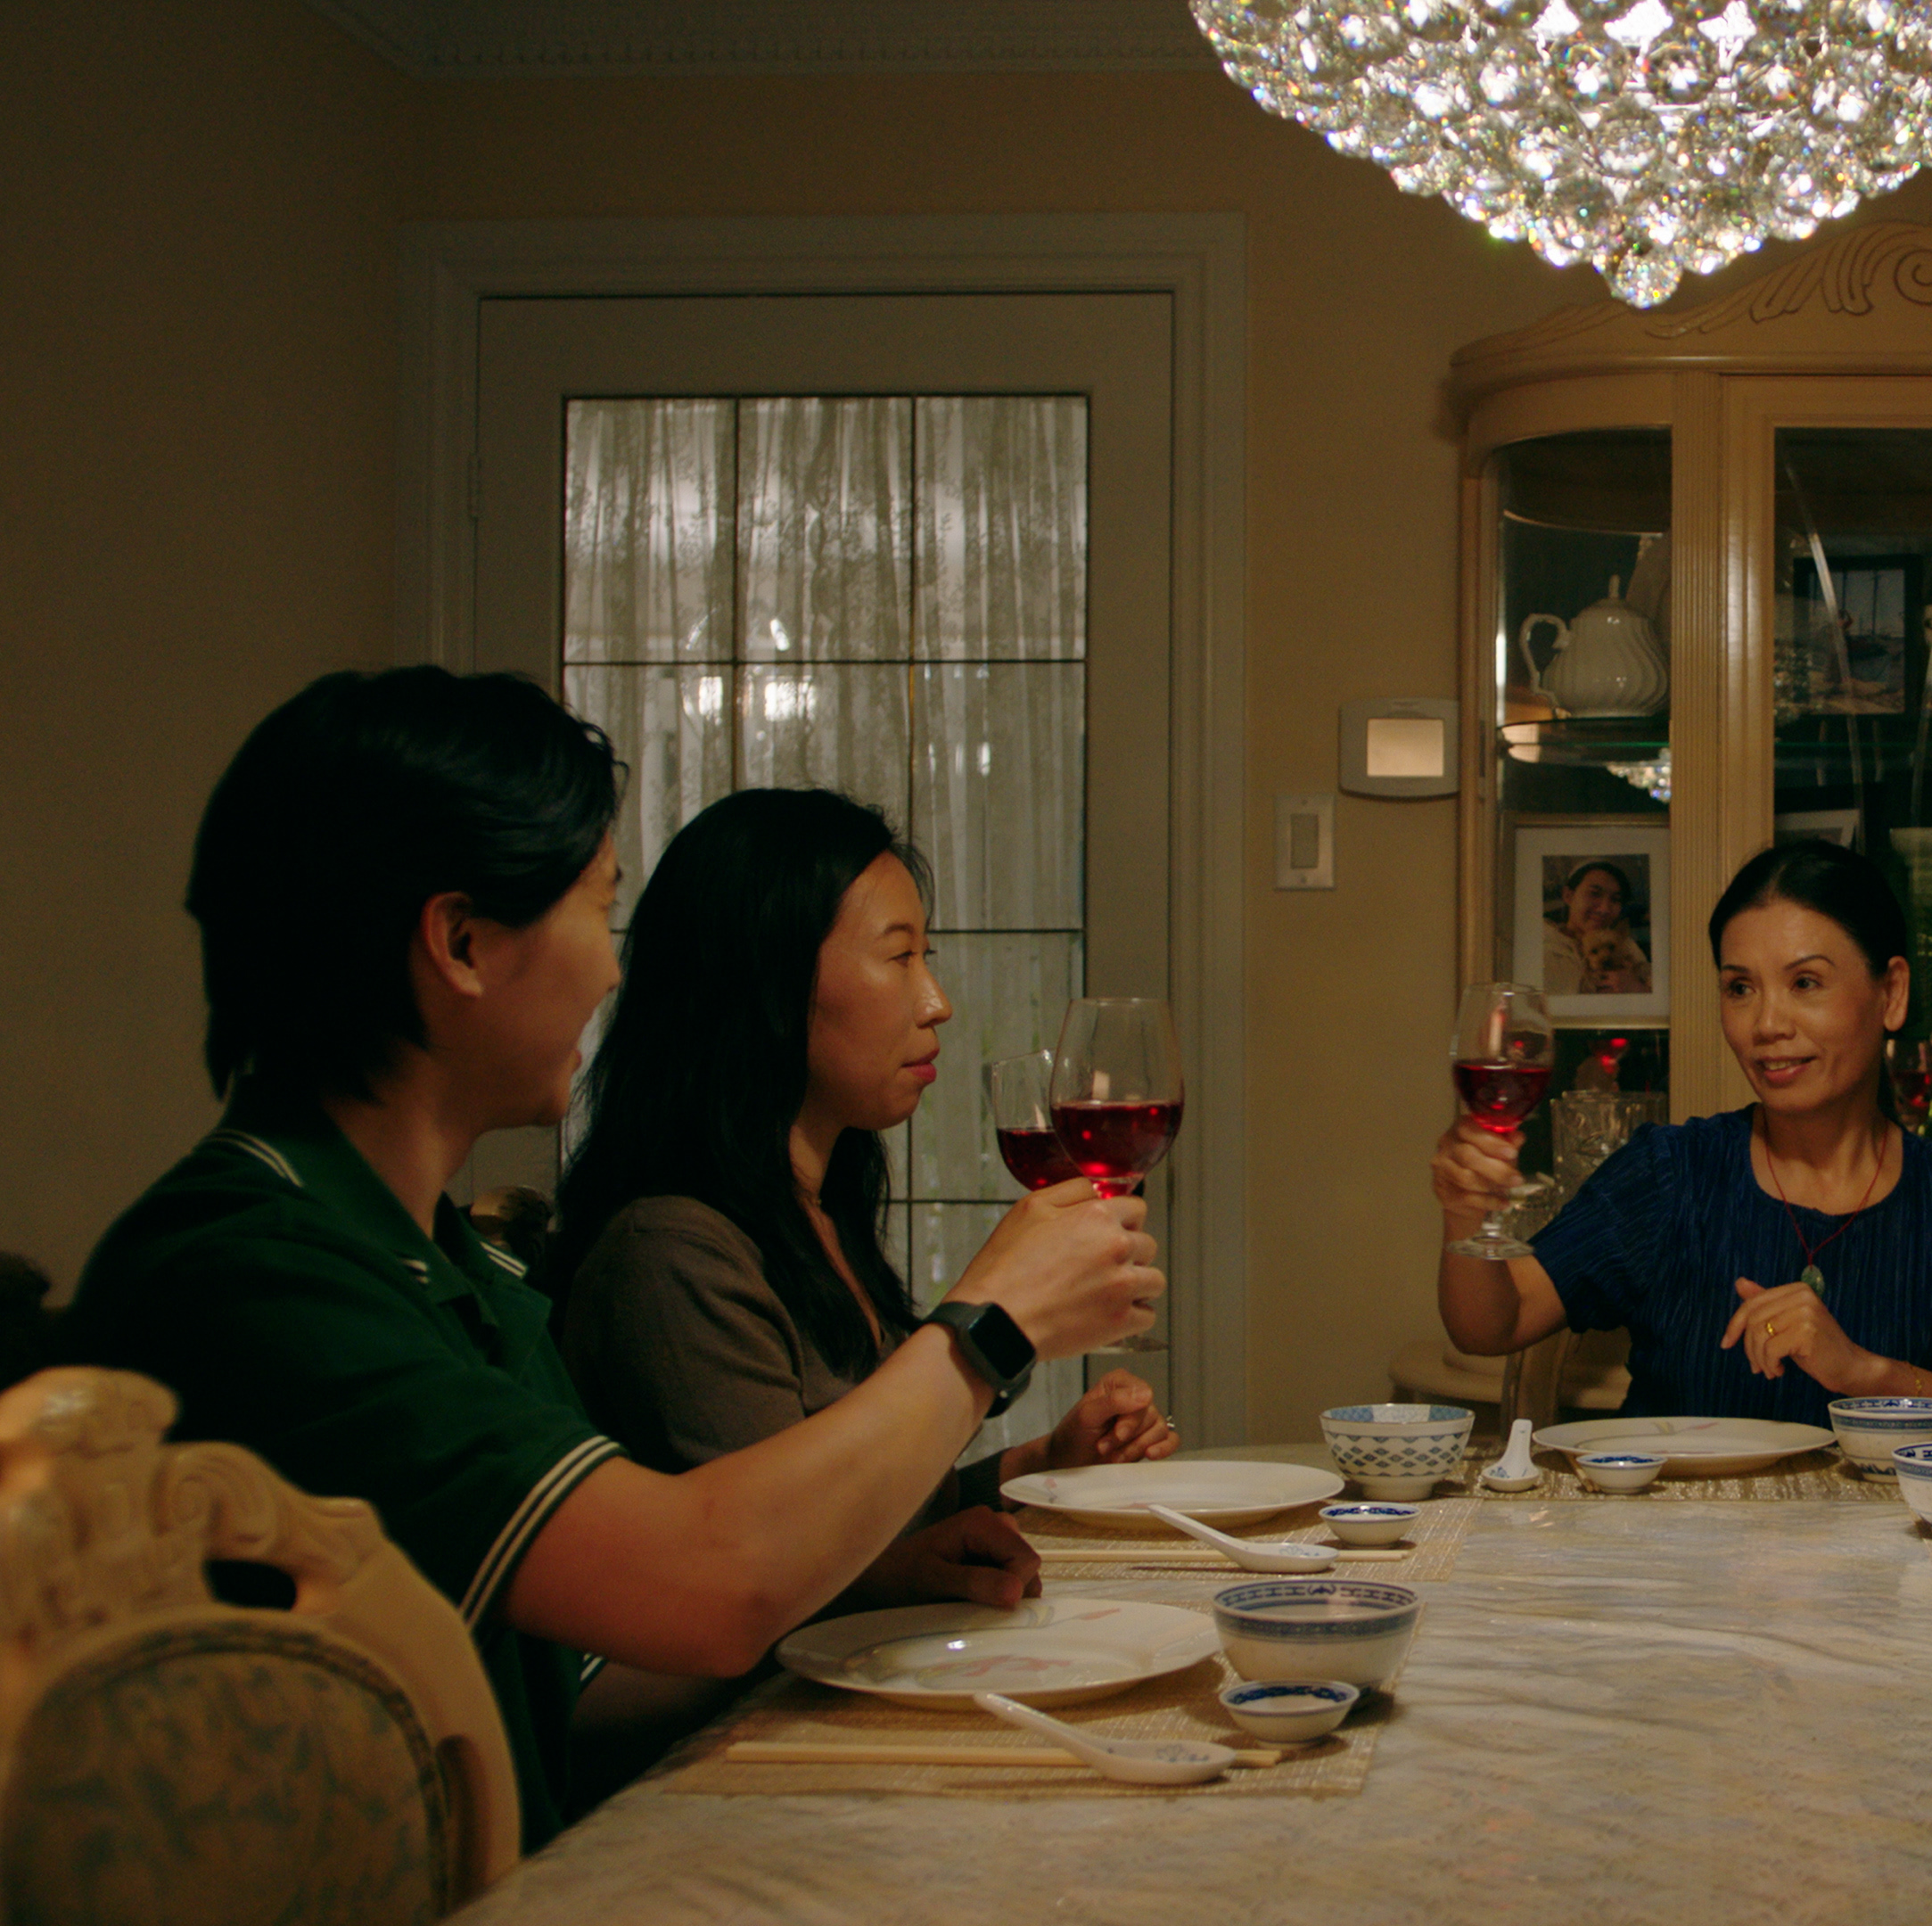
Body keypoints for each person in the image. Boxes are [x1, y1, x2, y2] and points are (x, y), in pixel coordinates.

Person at [58, 669, 1162, 1846]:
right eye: (596, 908)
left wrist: (876, 1579)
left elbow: (578, 1691)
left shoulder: (440, 1263)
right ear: (462, 943)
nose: (613, 970)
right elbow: (707, 1581)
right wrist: (987, 1329)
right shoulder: (262, 1274)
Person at [550, 787, 1177, 1509]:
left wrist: (1040, 1467)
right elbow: (776, 1544)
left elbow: (868, 1521)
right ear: (768, 982)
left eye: (925, 956)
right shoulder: (670, 1255)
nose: (937, 1002)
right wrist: (995, 1316)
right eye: (899, 956)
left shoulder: (817, 1210)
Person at [1436, 839, 1932, 1441]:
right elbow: (1493, 1325)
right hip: (1673, 1518)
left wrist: (1866, 1375)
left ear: (1891, 994)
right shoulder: (1670, 1174)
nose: (1767, 1025)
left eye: (1805, 983)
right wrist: (1465, 1213)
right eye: (1740, 988)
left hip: (1885, 1524)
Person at [1541, 859, 1652, 997]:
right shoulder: (1543, 948)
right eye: (1594, 893)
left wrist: (1637, 988)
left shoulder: (1626, 943)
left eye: (1615, 899)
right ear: (1568, 895)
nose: (1604, 909)